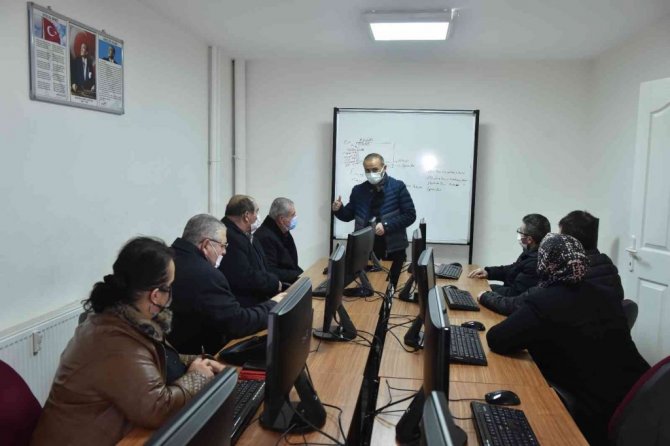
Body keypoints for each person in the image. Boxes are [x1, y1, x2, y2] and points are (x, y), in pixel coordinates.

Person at [31, 237, 224, 445]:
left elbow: (151, 359)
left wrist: (199, 362)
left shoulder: (121, 319)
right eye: (169, 287)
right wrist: (197, 377)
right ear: (155, 295)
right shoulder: (113, 339)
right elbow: (158, 409)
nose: (170, 294)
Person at [486, 233, 649, 446]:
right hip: (637, 395)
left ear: (545, 264)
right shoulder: (605, 293)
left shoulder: (544, 300)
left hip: (593, 410)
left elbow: (497, 339)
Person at [168, 214, 283, 355]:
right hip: (194, 356)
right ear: (206, 245)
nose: (224, 252)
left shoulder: (167, 258)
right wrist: (273, 305)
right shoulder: (207, 275)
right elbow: (238, 324)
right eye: (223, 245)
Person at [479, 210, 624, 315]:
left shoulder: (569, 273)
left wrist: (486, 295)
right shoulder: (608, 266)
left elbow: (521, 304)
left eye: (560, 236)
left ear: (568, 242)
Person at [332, 153, 416, 286]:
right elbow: (347, 215)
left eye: (375, 170)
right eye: (367, 170)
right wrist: (338, 209)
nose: (371, 173)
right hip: (366, 250)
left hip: (394, 249)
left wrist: (386, 225)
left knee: (392, 288)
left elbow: (410, 215)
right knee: (369, 289)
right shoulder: (358, 190)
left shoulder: (398, 187)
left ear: (384, 168)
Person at [219, 195, 283, 306]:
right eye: (256, 211)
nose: (258, 216)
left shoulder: (247, 235)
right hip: (245, 304)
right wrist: (274, 283)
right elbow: (244, 276)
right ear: (246, 216)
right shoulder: (230, 237)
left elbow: (262, 267)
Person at [468, 213, 550, 296]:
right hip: (509, 295)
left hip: (512, 299)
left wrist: (486, 293)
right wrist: (488, 272)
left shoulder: (535, 262)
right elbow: (513, 269)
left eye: (520, 232)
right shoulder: (531, 251)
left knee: (478, 290)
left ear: (529, 240)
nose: (519, 235)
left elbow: (516, 294)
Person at [254, 197, 303, 284]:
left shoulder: (283, 231)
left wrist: (304, 275)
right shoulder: (265, 237)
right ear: (281, 219)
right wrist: (299, 275)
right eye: (293, 215)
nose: (295, 217)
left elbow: (291, 264)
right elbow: (271, 271)